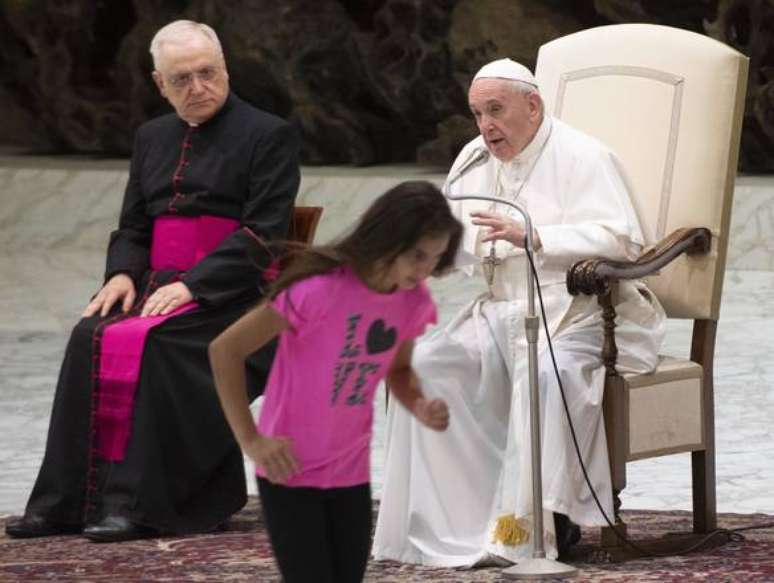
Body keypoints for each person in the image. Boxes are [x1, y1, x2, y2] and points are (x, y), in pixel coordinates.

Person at [5, 20, 300, 542]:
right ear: (159, 83)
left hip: (238, 293)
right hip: (156, 285)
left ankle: (143, 504)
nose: (198, 87)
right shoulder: (151, 137)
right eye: (181, 79)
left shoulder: (268, 133)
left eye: (208, 73)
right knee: (87, 335)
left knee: (161, 345)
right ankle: (65, 502)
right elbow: (136, 223)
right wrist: (120, 272)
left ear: (225, 69)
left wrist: (195, 285)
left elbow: (264, 233)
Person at [372, 58, 666, 566]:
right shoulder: (472, 159)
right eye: (477, 113)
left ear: (532, 106)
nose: (486, 126)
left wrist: (537, 237)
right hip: (502, 311)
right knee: (423, 366)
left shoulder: (585, 156)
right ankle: (446, 524)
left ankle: (532, 527)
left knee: (545, 378)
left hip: (579, 316)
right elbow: (453, 235)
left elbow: (622, 239)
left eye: (495, 110)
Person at [209, 181, 461, 583]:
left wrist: (419, 403)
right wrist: (251, 440)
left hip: (350, 469)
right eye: (417, 255)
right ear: (388, 238)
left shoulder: (412, 301)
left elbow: (397, 370)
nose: (426, 268)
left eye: (435, 258)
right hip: (288, 465)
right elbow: (225, 350)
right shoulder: (316, 290)